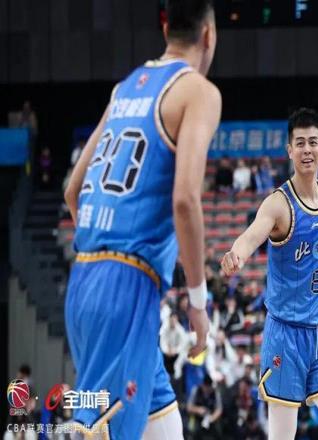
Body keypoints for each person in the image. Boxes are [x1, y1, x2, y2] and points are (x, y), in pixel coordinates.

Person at [63, 1, 220, 438]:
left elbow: (73, 190)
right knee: (98, 430)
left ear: (165, 28)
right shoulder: (198, 92)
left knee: (165, 427)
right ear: (209, 35)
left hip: (85, 278)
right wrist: (198, 303)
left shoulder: (124, 89)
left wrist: (104, 253)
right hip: (125, 287)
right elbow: (185, 200)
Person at [221, 108, 318, 440]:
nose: (307, 149)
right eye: (299, 143)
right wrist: (237, 254)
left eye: (312, 142)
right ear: (289, 150)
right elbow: (252, 235)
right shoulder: (278, 204)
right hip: (284, 336)